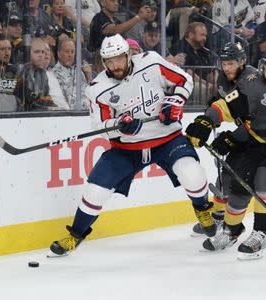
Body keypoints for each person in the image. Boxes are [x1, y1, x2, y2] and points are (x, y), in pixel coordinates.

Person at [50, 34, 216, 255]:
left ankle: (203, 210)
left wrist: (174, 101)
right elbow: (100, 124)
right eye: (110, 61)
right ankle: (75, 235)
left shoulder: (152, 62)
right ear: (103, 61)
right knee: (94, 191)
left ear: (128, 55)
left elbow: (184, 80)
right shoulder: (97, 88)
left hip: (167, 139)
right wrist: (119, 125)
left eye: (119, 58)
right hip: (127, 149)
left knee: (192, 174)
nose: (116, 65)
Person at [186, 45, 266, 260]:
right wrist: (206, 121)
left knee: (265, 175)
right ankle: (231, 230)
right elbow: (225, 106)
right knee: (239, 181)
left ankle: (261, 233)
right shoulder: (254, 85)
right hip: (260, 141)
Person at [189, 42, 266, 238]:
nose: (226, 68)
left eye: (231, 63)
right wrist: (212, 107)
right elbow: (226, 100)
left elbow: (258, 119)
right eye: (224, 63)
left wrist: (233, 137)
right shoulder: (225, 78)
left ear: (243, 61)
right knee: (227, 175)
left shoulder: (253, 81)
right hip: (248, 132)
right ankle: (217, 216)